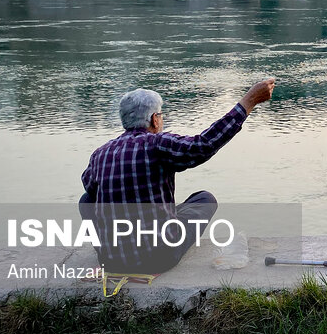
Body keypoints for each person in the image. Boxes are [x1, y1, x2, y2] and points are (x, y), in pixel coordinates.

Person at [79, 78, 276, 273]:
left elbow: (90, 188)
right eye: (161, 116)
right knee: (205, 199)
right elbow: (204, 145)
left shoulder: (100, 154)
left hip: (112, 261)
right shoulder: (157, 143)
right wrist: (249, 101)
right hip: (159, 258)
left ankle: (112, 250)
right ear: (155, 119)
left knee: (87, 199)